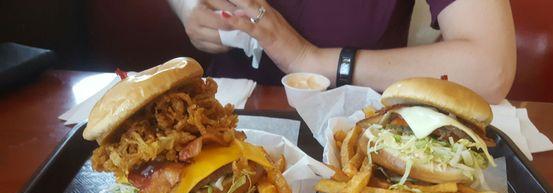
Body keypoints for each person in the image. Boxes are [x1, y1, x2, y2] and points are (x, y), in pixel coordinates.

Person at [168, 0, 515, 104]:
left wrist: (311, 60)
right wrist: (187, 7)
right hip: (220, 113)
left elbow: (490, 67)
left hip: (354, 128)